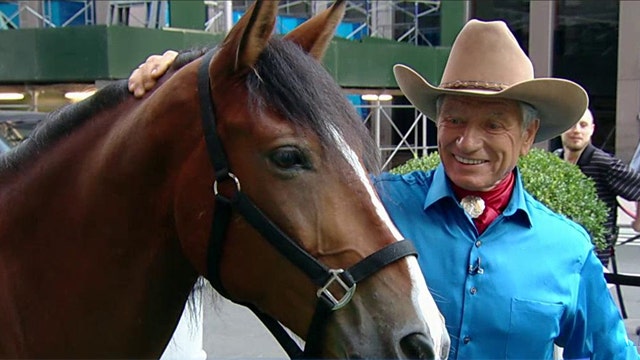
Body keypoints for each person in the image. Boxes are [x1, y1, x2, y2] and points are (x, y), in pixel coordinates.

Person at [128, 20, 639, 360]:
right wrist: (181, 90)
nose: (467, 141)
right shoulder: (377, 206)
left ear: (529, 136)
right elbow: (254, 211)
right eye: (454, 118)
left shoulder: (568, 251)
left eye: (494, 125)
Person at [555, 109, 640, 265]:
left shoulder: (603, 163)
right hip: (557, 248)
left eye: (583, 125)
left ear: (592, 129)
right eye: (572, 125)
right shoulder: (555, 161)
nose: (577, 131)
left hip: (592, 254)